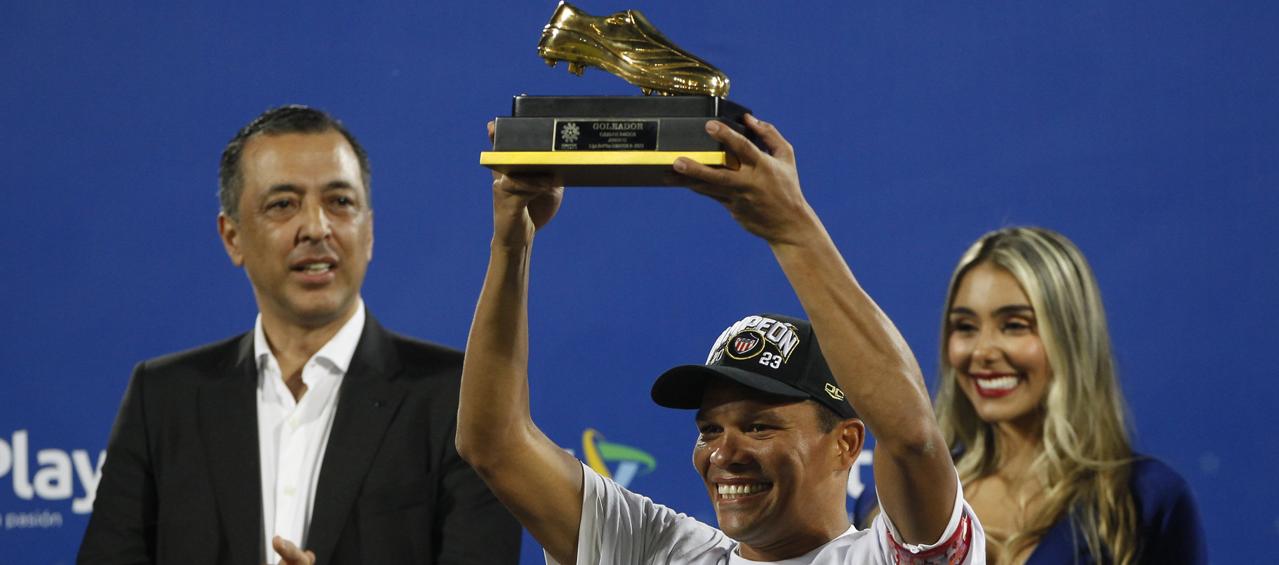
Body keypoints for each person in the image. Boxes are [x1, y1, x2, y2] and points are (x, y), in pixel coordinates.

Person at [456, 116, 986, 564]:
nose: (724, 453)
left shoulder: (890, 556)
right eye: (709, 429)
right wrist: (512, 244)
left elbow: (912, 436)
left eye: (758, 426)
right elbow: (494, 444)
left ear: (846, 442)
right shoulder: (657, 550)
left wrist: (791, 228)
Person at [78, 105, 521, 565]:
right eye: (283, 204)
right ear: (233, 237)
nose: (315, 228)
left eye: (340, 202)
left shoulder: (460, 399)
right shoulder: (163, 397)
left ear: (369, 231)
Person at [855, 227, 1207, 564]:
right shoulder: (899, 496)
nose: (983, 351)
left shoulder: (1145, 500)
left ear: (1070, 337)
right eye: (965, 327)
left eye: (1014, 326)